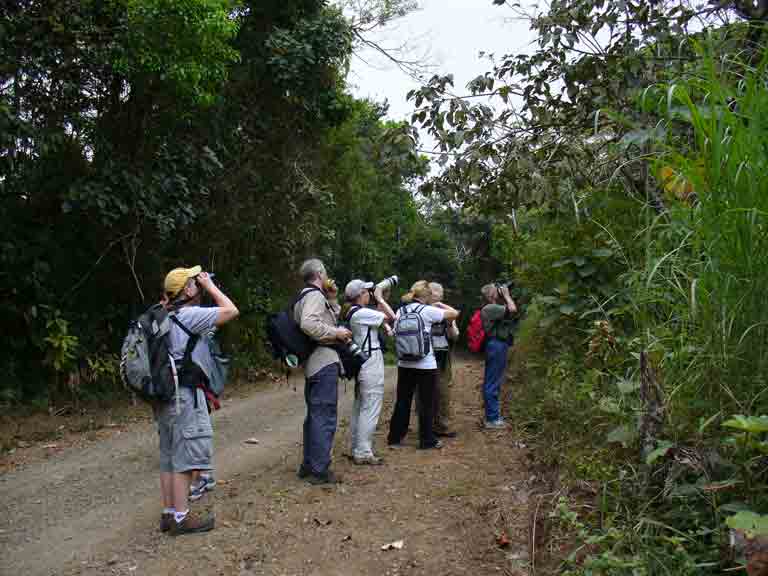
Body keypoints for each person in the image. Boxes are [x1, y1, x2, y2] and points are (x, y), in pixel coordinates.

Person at [156, 266, 239, 535]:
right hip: (184, 395)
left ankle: (169, 513)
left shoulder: (163, 316)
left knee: (169, 455)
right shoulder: (188, 315)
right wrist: (212, 288)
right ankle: (181, 518)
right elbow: (230, 310)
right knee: (184, 457)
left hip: (165, 395)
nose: (199, 285)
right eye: (194, 282)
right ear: (187, 290)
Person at [294, 258, 352, 485]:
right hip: (323, 361)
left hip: (313, 363)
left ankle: (309, 464)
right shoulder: (314, 296)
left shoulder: (307, 296)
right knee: (324, 415)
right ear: (319, 273)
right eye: (325, 272)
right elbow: (309, 324)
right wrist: (337, 333)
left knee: (315, 416)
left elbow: (326, 316)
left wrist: (332, 297)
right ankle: (320, 469)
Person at [387, 281, 460, 450]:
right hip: (425, 364)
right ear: (426, 296)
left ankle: (395, 438)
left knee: (403, 401)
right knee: (427, 402)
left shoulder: (401, 310)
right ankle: (427, 440)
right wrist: (440, 304)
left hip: (404, 362)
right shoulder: (428, 311)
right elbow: (454, 314)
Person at [343, 279, 396, 465]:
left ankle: (356, 446)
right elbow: (392, 317)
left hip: (362, 360)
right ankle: (363, 451)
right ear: (360, 295)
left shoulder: (353, 312)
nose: (370, 294)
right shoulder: (362, 313)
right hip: (370, 361)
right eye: (367, 292)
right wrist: (380, 299)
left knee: (360, 405)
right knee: (371, 405)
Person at [480, 283, 517, 429]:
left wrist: (505, 296)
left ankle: (493, 416)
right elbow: (513, 309)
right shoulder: (490, 308)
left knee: (493, 380)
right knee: (492, 382)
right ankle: (492, 419)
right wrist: (507, 295)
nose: (500, 292)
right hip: (496, 345)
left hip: (497, 345)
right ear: (491, 295)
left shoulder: (494, 308)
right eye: (497, 291)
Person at [428, 282, 460, 438]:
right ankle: (429, 425)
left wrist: (449, 325)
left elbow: (455, 335)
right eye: (435, 292)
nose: (439, 294)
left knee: (443, 390)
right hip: (427, 356)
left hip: (442, 356)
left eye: (440, 292)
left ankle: (442, 424)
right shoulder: (424, 310)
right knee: (427, 391)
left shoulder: (447, 312)